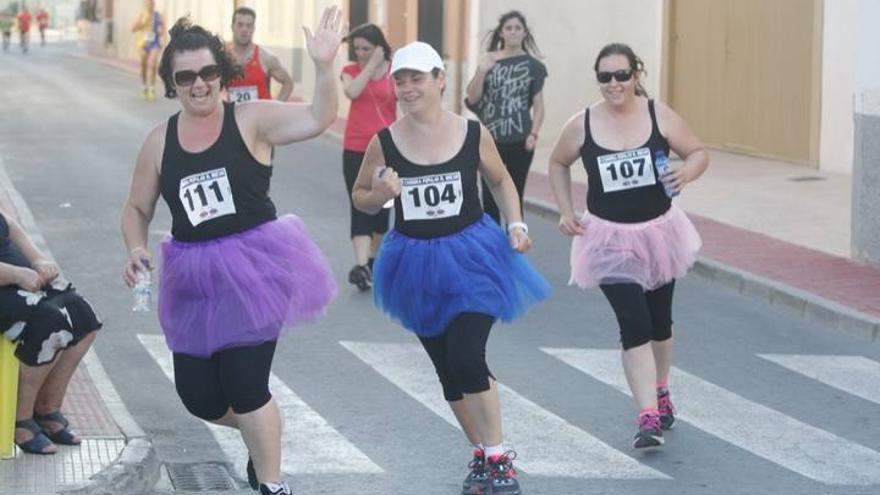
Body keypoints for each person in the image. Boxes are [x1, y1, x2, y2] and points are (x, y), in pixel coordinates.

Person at [120, 9, 342, 495]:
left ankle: (272, 483)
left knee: (246, 386)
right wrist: (135, 248)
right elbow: (136, 207)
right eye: (186, 76)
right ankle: (262, 438)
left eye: (208, 73)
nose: (199, 84)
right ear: (171, 83)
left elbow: (319, 117)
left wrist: (325, 67)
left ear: (221, 73)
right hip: (193, 280)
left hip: (254, 270)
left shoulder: (251, 118)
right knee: (198, 397)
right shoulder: (159, 141)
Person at [353, 41, 551, 495]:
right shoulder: (383, 142)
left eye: (417, 78)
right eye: (400, 80)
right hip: (414, 263)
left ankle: (500, 459)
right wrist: (381, 193)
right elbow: (360, 195)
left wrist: (516, 223)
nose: (407, 88)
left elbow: (500, 180)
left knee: (466, 355)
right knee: (447, 368)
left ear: (440, 80)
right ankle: (481, 455)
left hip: (472, 256)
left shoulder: (470, 132)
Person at [548, 42, 708, 449]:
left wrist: (686, 172)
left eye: (622, 75)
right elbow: (557, 161)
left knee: (659, 323)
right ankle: (647, 415)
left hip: (659, 232)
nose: (614, 84)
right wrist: (566, 210)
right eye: (605, 77)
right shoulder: (582, 123)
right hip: (607, 238)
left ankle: (662, 387)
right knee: (633, 323)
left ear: (636, 74)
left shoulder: (658, 114)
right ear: (598, 80)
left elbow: (698, 152)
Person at [0, 207, 102, 455]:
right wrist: (16, 274)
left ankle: (46, 408)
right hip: (8, 284)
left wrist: (38, 259)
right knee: (51, 324)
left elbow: (7, 224)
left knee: (82, 314)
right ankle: (20, 420)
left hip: (18, 281)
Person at [465, 10, 546, 225]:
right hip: (489, 139)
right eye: (508, 28)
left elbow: (539, 105)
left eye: (517, 28)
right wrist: (482, 71)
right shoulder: (489, 61)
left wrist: (534, 133)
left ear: (524, 32)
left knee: (515, 192)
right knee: (490, 195)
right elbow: (472, 97)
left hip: (521, 138)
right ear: (501, 32)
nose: (513, 32)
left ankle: (515, 238)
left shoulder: (534, 66)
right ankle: (493, 243)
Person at [339, 23, 395, 291]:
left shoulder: (395, 72)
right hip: (356, 147)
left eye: (366, 49)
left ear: (379, 47)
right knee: (359, 203)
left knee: (382, 211)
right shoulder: (350, 71)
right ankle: (360, 265)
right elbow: (353, 92)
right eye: (357, 48)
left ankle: (371, 261)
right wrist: (370, 65)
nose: (360, 53)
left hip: (387, 150)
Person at [226, 7, 294, 103]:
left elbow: (288, 83)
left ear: (253, 28)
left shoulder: (266, 57)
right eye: (240, 25)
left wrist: (276, 108)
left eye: (249, 25)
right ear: (232, 27)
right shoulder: (223, 56)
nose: (244, 29)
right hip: (233, 116)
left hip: (261, 117)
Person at [131, 0, 165, 101]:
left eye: (152, 3)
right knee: (144, 66)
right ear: (146, 4)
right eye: (149, 3)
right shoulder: (142, 15)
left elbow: (162, 28)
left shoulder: (157, 15)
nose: (151, 5)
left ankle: (152, 89)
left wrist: (162, 34)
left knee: (152, 64)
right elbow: (133, 29)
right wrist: (141, 23)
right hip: (143, 43)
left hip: (154, 43)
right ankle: (145, 86)